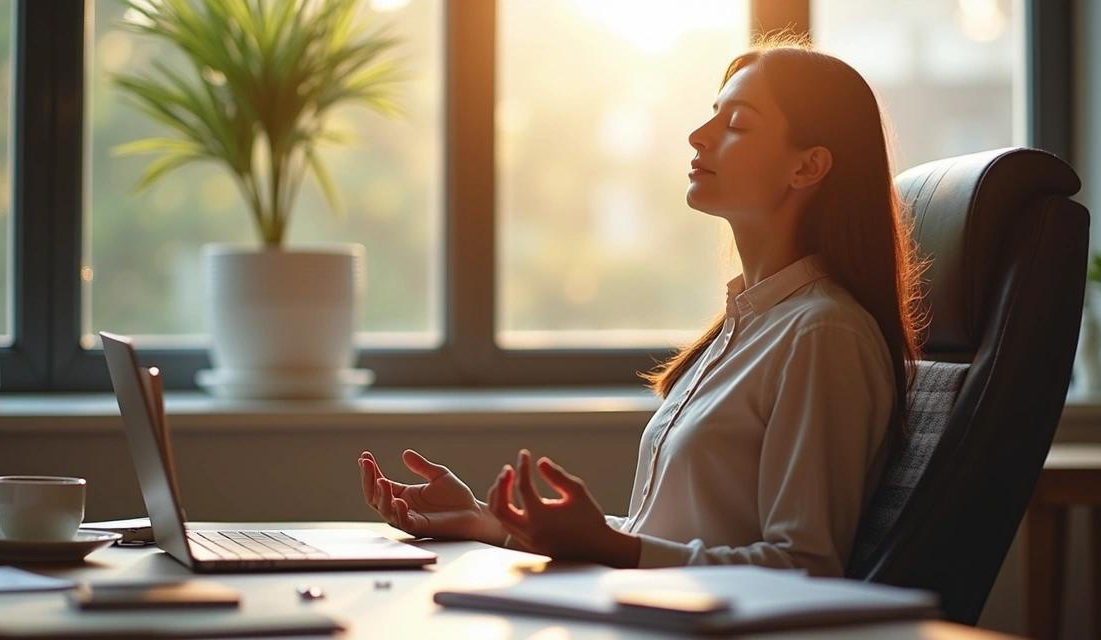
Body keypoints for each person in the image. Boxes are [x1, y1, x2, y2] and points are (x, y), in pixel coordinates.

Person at [357, 37, 925, 578]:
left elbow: (804, 566)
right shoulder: (748, 326)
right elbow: (667, 538)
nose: (698, 136)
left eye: (737, 124)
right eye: (711, 114)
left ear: (807, 167)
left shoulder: (822, 332)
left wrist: (611, 545)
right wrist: (487, 520)